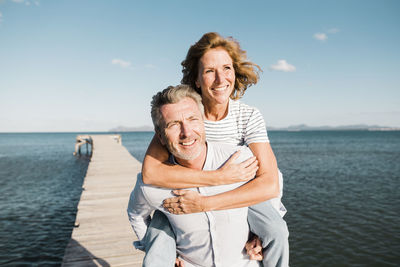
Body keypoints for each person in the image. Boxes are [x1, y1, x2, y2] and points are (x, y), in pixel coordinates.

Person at [142, 32, 289, 267]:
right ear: (197, 79)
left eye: (227, 68)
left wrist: (206, 203)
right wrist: (218, 177)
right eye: (210, 71)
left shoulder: (248, 116)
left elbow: (270, 183)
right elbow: (151, 173)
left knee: (277, 232)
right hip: (186, 191)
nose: (221, 80)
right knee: (158, 239)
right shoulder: (186, 115)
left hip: (238, 194)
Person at [128, 84, 261, 267]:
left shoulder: (240, 160)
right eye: (174, 125)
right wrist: (159, 251)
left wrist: (261, 234)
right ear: (160, 137)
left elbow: (272, 189)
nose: (187, 133)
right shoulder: (150, 187)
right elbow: (135, 214)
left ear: (203, 121)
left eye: (192, 119)